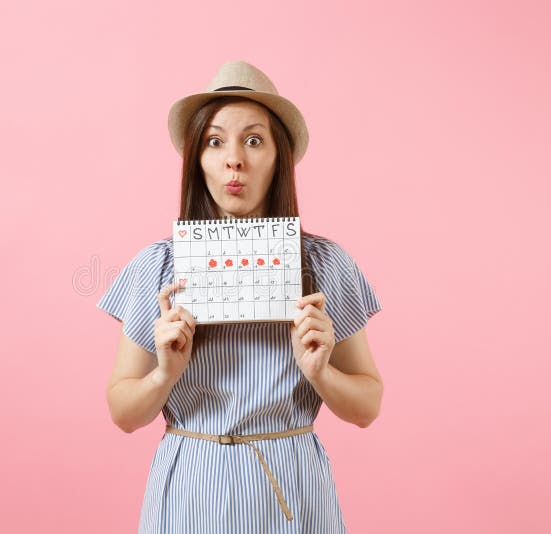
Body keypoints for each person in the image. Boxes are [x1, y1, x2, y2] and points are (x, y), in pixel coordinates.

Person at [97, 60, 383, 533]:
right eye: (214, 141)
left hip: (291, 486)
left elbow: (367, 406)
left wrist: (321, 371)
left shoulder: (325, 264)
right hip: (189, 486)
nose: (234, 159)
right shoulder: (157, 267)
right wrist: (164, 375)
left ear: (279, 157)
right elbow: (123, 413)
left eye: (254, 140)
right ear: (197, 160)